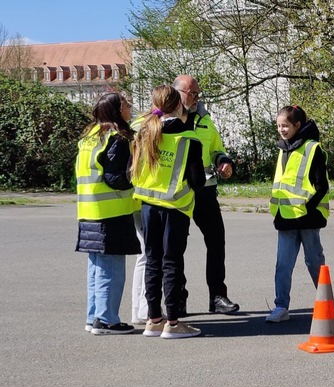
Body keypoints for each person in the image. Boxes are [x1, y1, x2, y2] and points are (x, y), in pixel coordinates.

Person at [130, 85, 206, 339]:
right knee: (171, 262)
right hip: (175, 207)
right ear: (178, 105)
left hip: (148, 205)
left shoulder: (145, 132)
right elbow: (197, 181)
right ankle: (173, 322)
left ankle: (154, 319)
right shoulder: (188, 137)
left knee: (152, 260)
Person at [173, 74, 239, 316]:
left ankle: (218, 297)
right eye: (192, 93)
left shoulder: (205, 119)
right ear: (178, 92)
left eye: (198, 93)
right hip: (177, 193)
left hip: (206, 190)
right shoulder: (165, 118)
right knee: (175, 247)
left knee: (216, 241)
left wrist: (224, 162)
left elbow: (216, 149)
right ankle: (177, 299)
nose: (196, 97)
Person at [76, 92, 141, 335]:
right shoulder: (117, 138)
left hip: (88, 210)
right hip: (111, 212)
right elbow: (116, 179)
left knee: (96, 267)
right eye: (125, 104)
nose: (129, 107)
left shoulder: (90, 137)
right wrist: (137, 176)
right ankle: (107, 320)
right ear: (116, 110)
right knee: (111, 268)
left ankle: (94, 316)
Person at [266, 105, 329, 323]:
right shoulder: (282, 149)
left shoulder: (312, 148)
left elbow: (322, 186)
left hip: (308, 218)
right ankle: (280, 306)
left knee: (314, 262)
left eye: (285, 126)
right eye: (279, 126)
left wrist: (308, 208)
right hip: (285, 218)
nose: (281, 130)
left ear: (297, 126)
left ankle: (326, 303)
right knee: (283, 264)